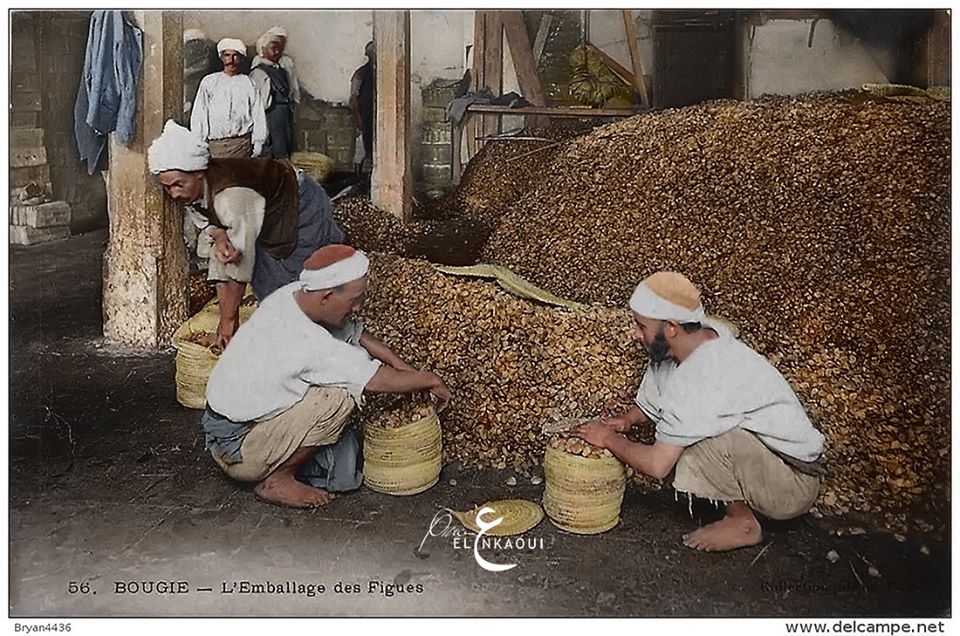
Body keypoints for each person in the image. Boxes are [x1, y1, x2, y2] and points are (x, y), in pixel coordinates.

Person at [571, 272, 824, 553]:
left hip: (790, 485)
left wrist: (608, 439)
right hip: (766, 464)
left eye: (640, 325)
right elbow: (657, 396)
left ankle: (742, 523)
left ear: (670, 327)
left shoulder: (703, 378)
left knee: (698, 443)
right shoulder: (696, 336)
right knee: (694, 431)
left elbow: (657, 465)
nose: (634, 333)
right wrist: (628, 419)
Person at [202, 244, 453, 508]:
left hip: (222, 427)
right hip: (240, 449)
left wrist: (404, 368)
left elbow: (357, 334)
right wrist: (430, 379)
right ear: (327, 297)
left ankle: (284, 463)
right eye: (354, 300)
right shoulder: (310, 342)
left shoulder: (291, 296)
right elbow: (376, 380)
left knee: (341, 446)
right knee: (339, 397)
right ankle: (277, 480)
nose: (357, 308)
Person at [148, 120, 343, 348]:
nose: (173, 194)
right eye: (167, 187)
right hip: (262, 209)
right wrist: (221, 238)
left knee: (297, 276)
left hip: (299, 202)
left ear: (198, 173)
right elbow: (211, 224)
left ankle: (324, 340)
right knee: (267, 282)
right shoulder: (196, 190)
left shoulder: (231, 196)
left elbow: (240, 266)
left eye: (178, 184)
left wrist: (228, 321)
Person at [190, 37, 267, 159]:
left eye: (235, 56)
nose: (231, 60)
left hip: (242, 146)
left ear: (241, 58)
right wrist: (200, 143)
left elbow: (258, 115)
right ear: (221, 57)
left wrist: (258, 144)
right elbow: (200, 114)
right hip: (215, 147)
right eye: (227, 55)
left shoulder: (249, 83)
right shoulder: (209, 82)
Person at [250, 26, 298, 159]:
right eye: (274, 47)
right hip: (270, 118)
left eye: (281, 48)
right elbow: (259, 104)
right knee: (273, 150)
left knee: (284, 147)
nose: (278, 51)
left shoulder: (282, 70)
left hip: (283, 117)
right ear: (263, 48)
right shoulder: (259, 72)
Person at [349, 40, 375, 184]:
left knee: (372, 148)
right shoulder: (360, 73)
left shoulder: (381, 73)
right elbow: (354, 97)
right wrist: (358, 117)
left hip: (375, 116)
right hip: (364, 115)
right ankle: (357, 180)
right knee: (361, 148)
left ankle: (369, 179)